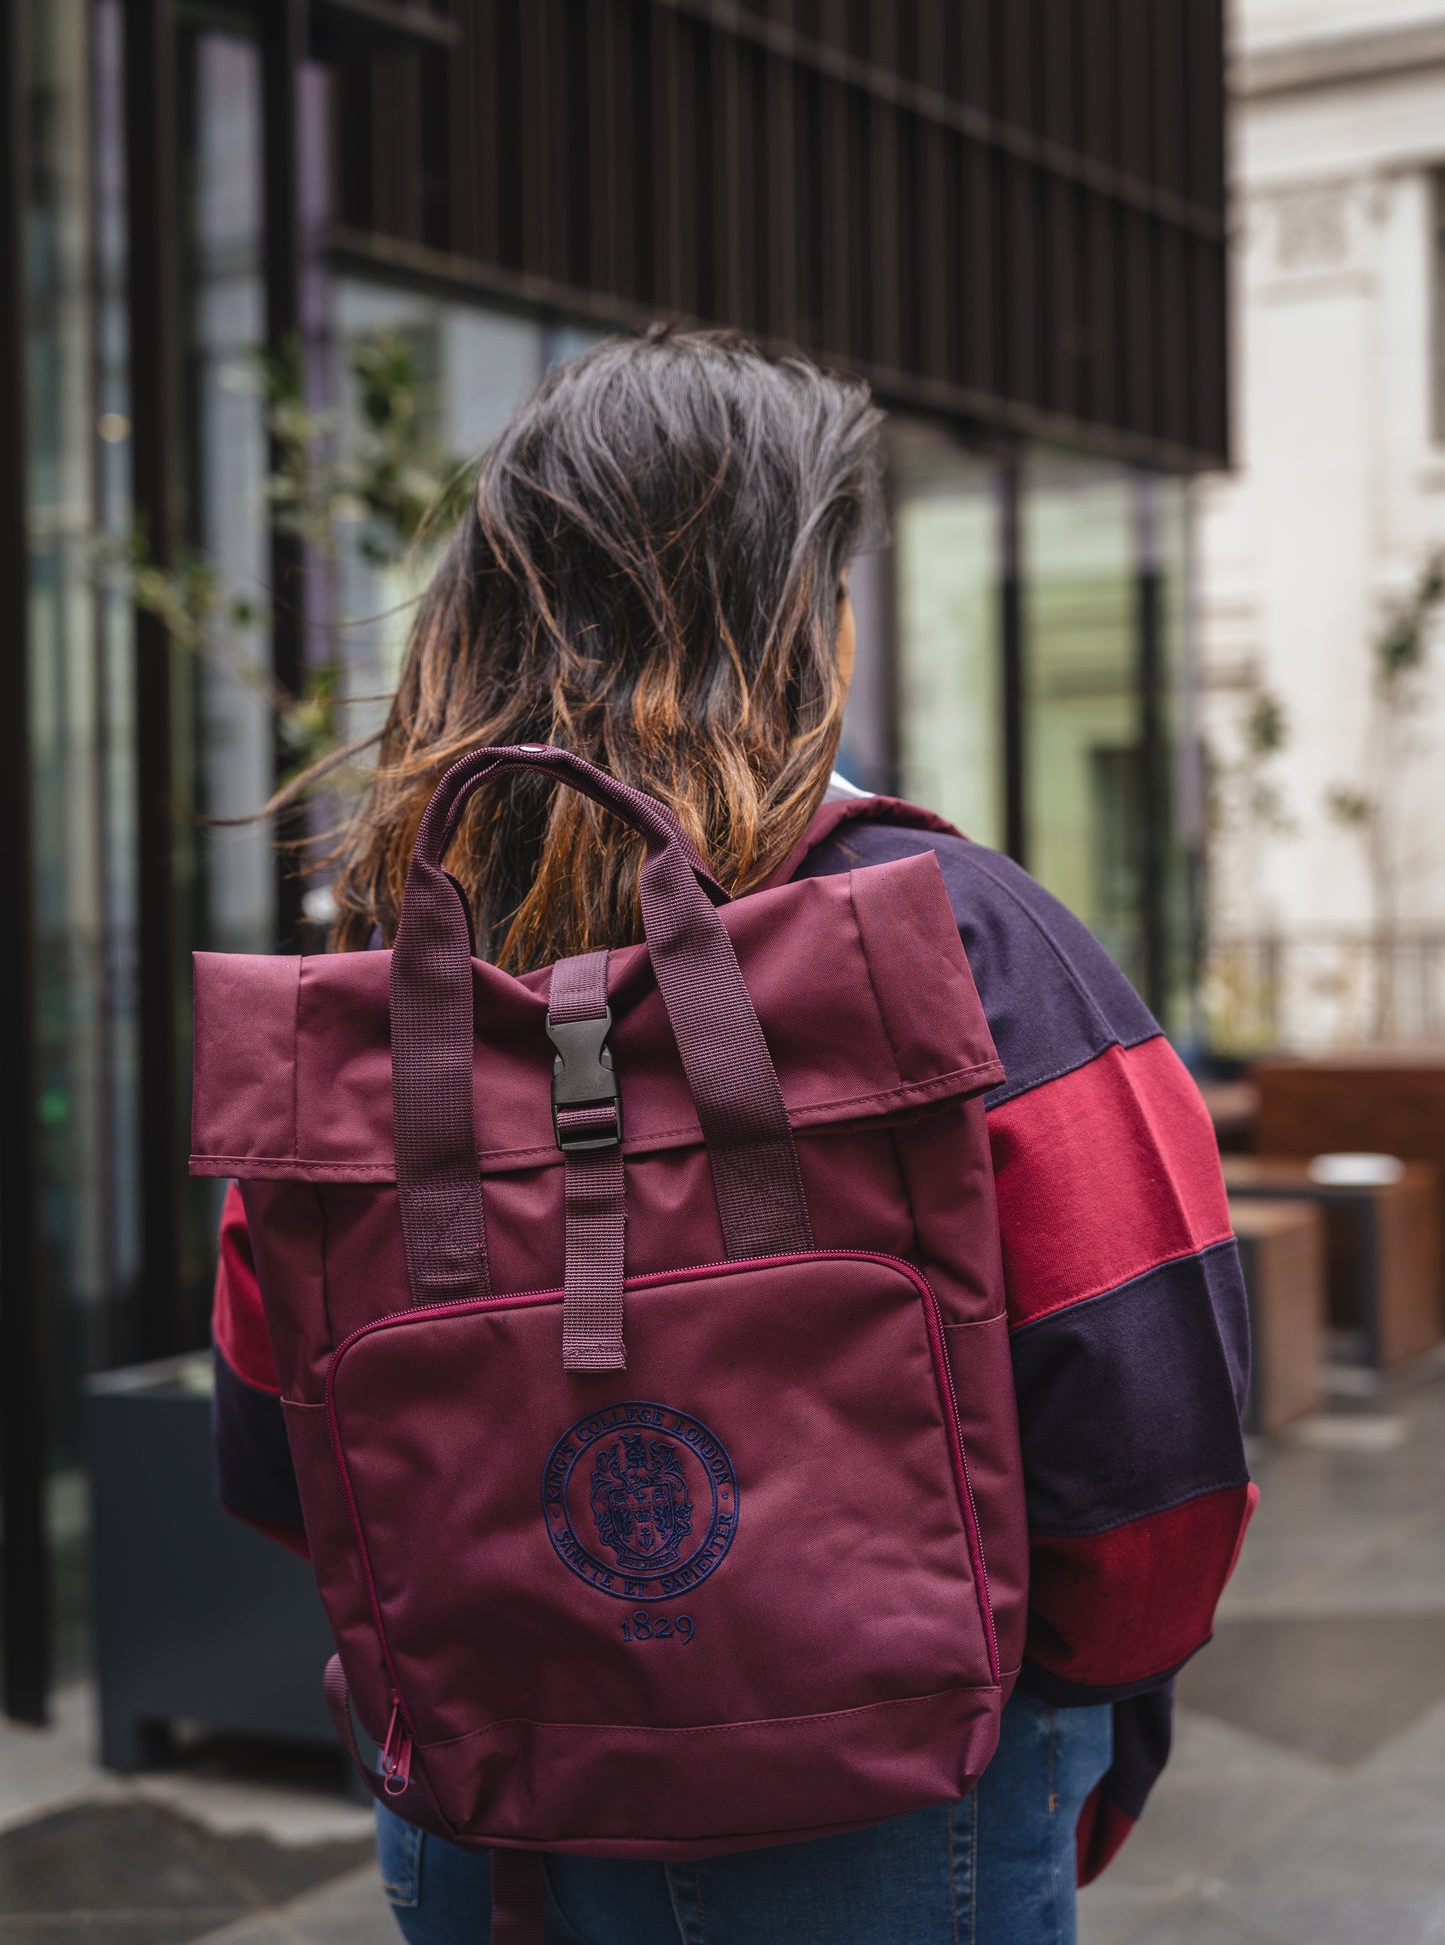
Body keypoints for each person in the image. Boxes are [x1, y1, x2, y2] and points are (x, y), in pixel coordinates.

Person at [212, 329, 1255, 1945]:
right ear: (805, 627)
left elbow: (272, 1439)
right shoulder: (959, 944)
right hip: (899, 1802)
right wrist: (1046, 1717)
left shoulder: (379, 995)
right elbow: (1152, 1446)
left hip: (488, 1822)